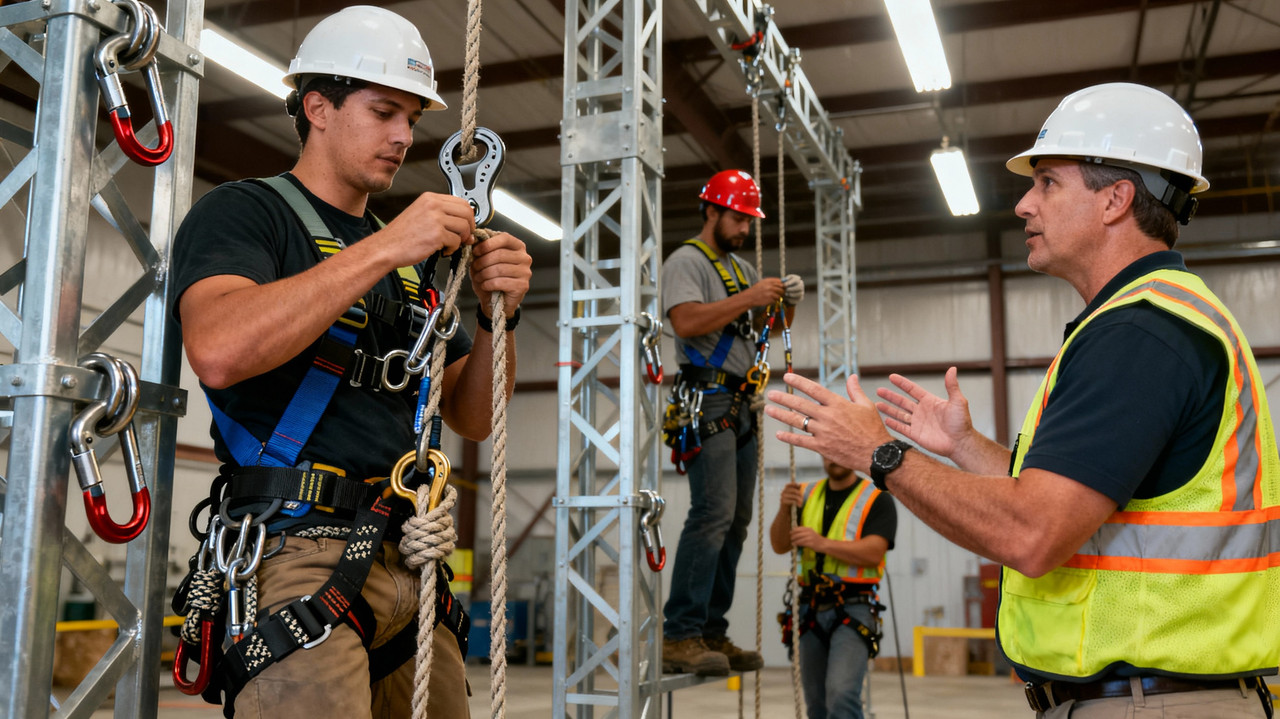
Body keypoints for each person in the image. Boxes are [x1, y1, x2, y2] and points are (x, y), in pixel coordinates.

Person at [765, 82, 1278, 718]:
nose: (1023, 204)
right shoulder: (1153, 321)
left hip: (1149, 702)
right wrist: (965, 448)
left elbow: (1032, 532)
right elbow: (1073, 498)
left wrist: (879, 452)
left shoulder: (1140, 334)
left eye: (1047, 183)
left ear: (1116, 199)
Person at [171, 6, 531, 718]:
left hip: (407, 553)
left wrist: (499, 317)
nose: (404, 136)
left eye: (412, 119)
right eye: (383, 112)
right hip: (295, 549)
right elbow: (217, 350)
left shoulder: (413, 263)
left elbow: (473, 415)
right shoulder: (247, 214)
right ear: (318, 108)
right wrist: (387, 247)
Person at [660, 169, 805, 676]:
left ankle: (710, 630)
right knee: (712, 513)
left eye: (748, 221)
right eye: (738, 219)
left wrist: (785, 305)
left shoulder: (742, 268)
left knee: (737, 521)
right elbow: (686, 322)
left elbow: (767, 329)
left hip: (741, 403)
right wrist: (751, 296)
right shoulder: (686, 262)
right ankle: (680, 634)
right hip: (707, 397)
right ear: (712, 211)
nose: (744, 229)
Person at [770, 458, 896, 719]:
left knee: (841, 694)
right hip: (810, 608)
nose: (834, 458)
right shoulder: (805, 495)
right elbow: (780, 545)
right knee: (816, 703)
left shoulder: (876, 498)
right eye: (827, 452)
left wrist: (821, 543)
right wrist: (784, 509)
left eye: (839, 452)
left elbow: (874, 552)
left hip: (854, 607)